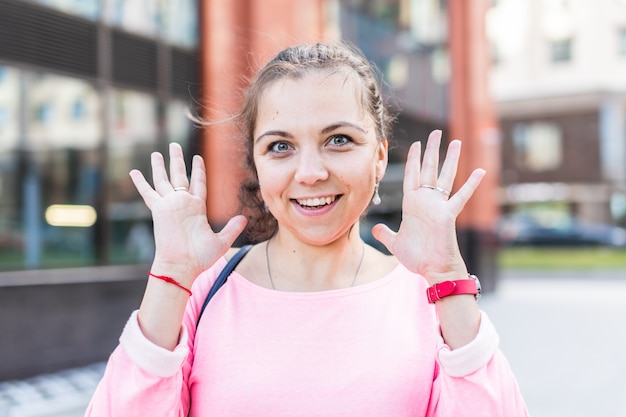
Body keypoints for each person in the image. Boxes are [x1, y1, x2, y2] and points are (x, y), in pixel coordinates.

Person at [86, 42, 528, 416]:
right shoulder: (201, 293)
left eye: (339, 140)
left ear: (378, 157)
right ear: (258, 166)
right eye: (280, 147)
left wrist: (449, 277)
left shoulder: (430, 298)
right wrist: (170, 276)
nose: (310, 172)